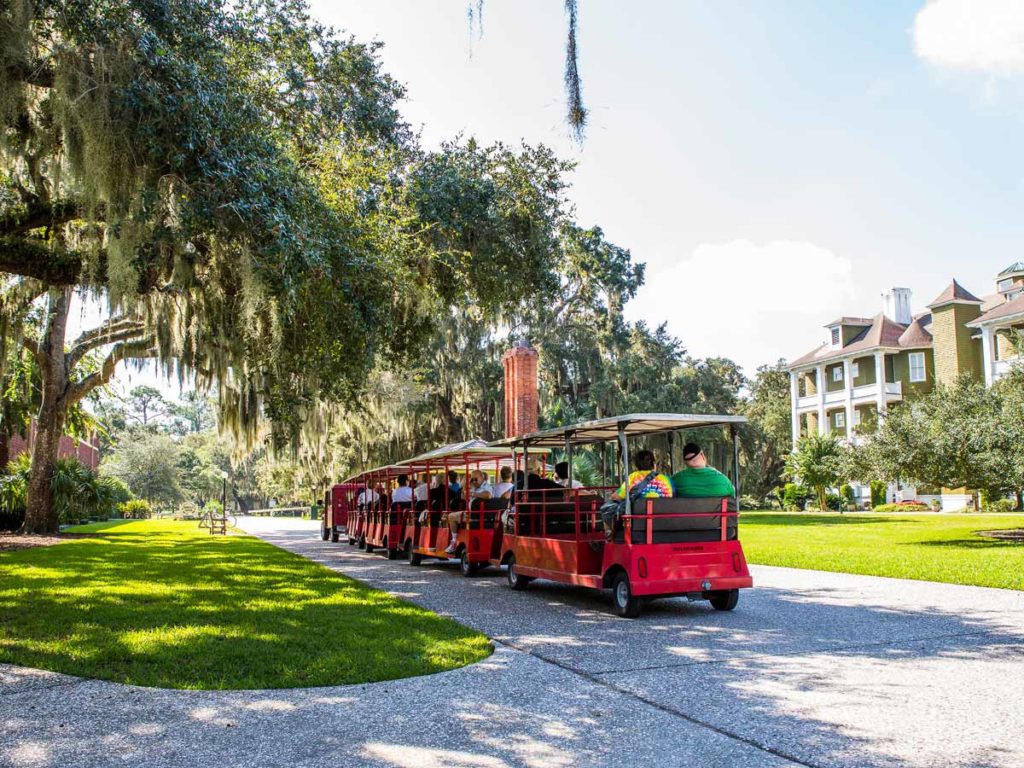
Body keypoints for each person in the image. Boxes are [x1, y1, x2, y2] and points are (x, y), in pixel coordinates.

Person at [604, 449, 672, 538]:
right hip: (663, 521)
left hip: (638, 523)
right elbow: (671, 495)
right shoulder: (665, 479)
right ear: (654, 464)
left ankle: (609, 535)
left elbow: (616, 497)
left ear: (636, 465)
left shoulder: (633, 478)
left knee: (607, 508)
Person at [670, 442, 735, 498]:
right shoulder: (723, 480)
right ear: (702, 455)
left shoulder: (675, 480)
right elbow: (732, 498)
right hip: (716, 512)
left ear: (685, 462)